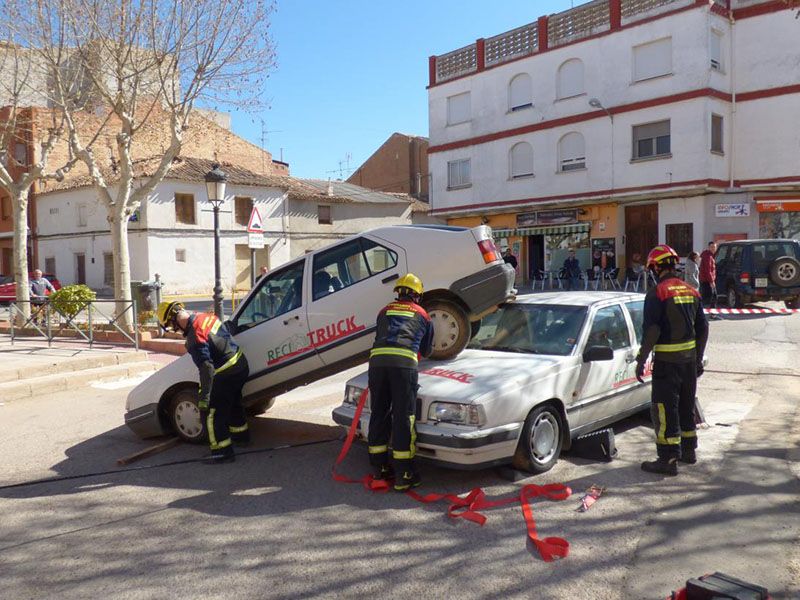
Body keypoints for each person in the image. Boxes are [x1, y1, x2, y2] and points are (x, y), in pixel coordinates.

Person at [635, 244, 709, 476]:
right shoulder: (691, 291)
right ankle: (689, 452)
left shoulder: (657, 293)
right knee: (687, 405)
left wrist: (641, 359)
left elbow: (652, 331)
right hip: (688, 363)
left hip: (667, 364)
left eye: (652, 268)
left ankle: (667, 459)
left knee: (665, 410)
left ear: (656, 267)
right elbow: (703, 329)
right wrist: (697, 359)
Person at [157, 301, 250, 464]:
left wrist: (204, 397)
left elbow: (206, 368)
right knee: (234, 402)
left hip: (226, 371)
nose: (176, 331)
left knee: (212, 414)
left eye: (172, 327)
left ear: (174, 319)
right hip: (240, 364)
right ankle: (242, 437)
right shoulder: (206, 317)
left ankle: (221, 452)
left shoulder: (195, 338)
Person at [367, 273, 434, 492]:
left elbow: (381, 335)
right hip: (403, 365)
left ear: (398, 293)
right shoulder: (423, 315)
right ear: (417, 295)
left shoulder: (384, 311)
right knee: (404, 416)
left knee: (378, 413)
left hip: (377, 364)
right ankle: (404, 474)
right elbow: (426, 350)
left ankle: (379, 470)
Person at [699, 241, 718, 311]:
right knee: (713, 297)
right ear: (709, 247)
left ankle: (703, 313)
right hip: (707, 281)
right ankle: (712, 314)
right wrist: (711, 281)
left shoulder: (708, 255)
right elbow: (708, 270)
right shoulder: (708, 257)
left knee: (706, 298)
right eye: (712, 247)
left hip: (705, 280)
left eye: (714, 247)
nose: (713, 248)